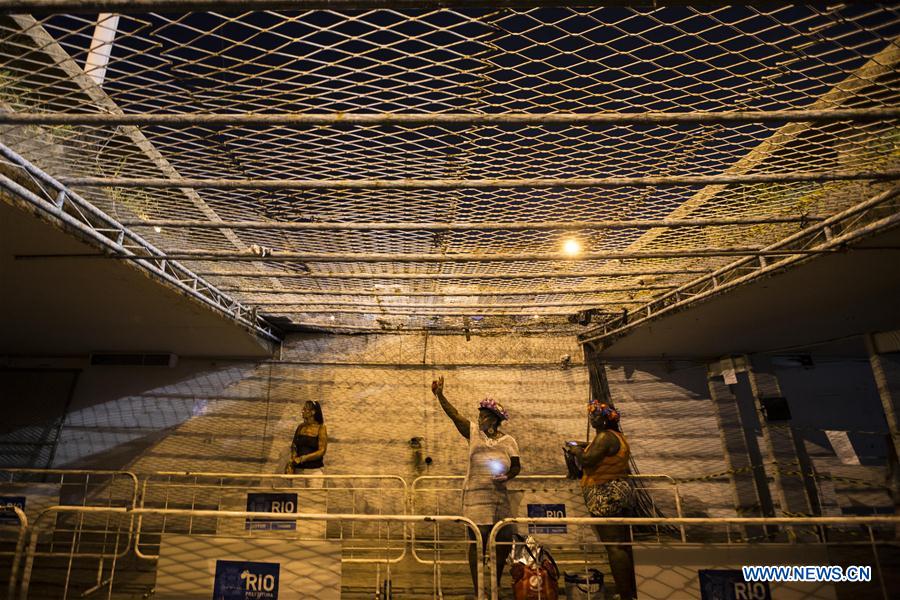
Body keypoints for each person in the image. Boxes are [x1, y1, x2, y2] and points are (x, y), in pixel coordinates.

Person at [432, 375, 521, 596]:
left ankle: (495, 585)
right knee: (478, 543)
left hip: (499, 499)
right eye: (479, 416)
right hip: (476, 500)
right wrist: (440, 395)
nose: (479, 419)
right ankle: (478, 589)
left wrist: (507, 476)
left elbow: (517, 466)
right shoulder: (473, 433)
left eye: (483, 416)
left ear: (493, 419)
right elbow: (455, 416)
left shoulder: (509, 441)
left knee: (501, 542)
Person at [565, 399, 637, 600]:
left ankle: (625, 595)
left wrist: (576, 450)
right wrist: (586, 446)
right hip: (619, 491)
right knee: (623, 546)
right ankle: (630, 592)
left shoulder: (604, 436)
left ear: (606, 420)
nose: (591, 419)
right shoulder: (616, 437)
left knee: (614, 546)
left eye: (595, 415)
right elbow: (601, 453)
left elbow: (588, 460)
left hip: (606, 494)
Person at [286, 400, 327, 478]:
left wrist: (302, 459)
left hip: (314, 471)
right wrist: (293, 459)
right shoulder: (300, 427)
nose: (302, 411)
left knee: (313, 491)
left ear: (313, 412)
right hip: (299, 470)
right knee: (297, 490)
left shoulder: (321, 428)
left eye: (305, 409)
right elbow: (294, 445)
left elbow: (322, 451)